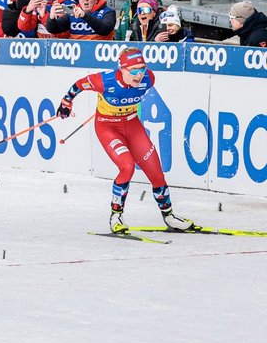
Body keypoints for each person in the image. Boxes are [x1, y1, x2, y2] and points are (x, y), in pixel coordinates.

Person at [57, 48, 194, 234]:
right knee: (127, 166)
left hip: (132, 125)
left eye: (142, 68)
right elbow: (78, 85)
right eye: (134, 70)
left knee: (156, 171)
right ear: (122, 69)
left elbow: (135, 86)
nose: (140, 75)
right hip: (108, 128)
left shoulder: (149, 79)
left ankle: (169, 216)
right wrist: (66, 104)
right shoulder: (104, 81)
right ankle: (116, 216)